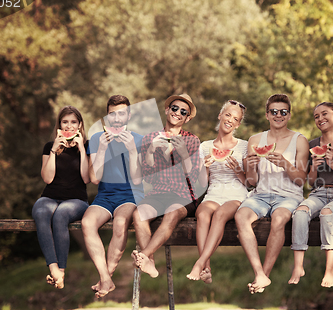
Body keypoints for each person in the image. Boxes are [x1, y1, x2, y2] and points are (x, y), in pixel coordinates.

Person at [235, 93, 309, 294]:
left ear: (289, 115)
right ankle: (258, 272)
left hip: (289, 196)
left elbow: (302, 179)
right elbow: (252, 182)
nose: (278, 115)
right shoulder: (255, 140)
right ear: (267, 115)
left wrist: (285, 164)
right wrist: (250, 167)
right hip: (261, 195)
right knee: (241, 216)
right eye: (274, 111)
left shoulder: (300, 140)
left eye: (283, 112)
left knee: (279, 219)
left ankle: (263, 276)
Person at [289, 102, 333, 288]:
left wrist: (332, 162)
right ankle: (298, 266)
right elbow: (310, 181)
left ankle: (329, 268)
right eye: (316, 116)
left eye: (324, 114)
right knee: (300, 212)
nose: (320, 119)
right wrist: (315, 167)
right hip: (318, 192)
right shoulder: (311, 144)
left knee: (327, 214)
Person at [81, 95, 144, 298]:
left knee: (120, 222)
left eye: (121, 113)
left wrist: (133, 151)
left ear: (128, 115)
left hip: (130, 196)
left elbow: (137, 180)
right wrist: (101, 149)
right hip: (105, 196)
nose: (116, 119)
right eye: (112, 114)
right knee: (87, 223)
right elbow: (94, 179)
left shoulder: (139, 139)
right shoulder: (97, 139)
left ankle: (106, 277)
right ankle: (105, 278)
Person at [132, 94, 200, 278]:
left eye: (183, 112)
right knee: (138, 214)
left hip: (184, 195)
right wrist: (151, 151)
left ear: (187, 118)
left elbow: (193, 178)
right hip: (158, 193)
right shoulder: (150, 138)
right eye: (175, 108)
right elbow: (147, 177)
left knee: (171, 213)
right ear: (167, 110)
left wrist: (184, 154)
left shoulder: (192, 141)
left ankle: (144, 255)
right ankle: (150, 263)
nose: (178, 113)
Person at [186, 100, 248, 283]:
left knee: (220, 214)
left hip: (236, 194)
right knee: (202, 213)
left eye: (235, 119)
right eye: (228, 114)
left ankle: (200, 264)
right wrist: (204, 168)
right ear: (220, 116)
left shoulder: (244, 146)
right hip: (213, 192)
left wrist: (238, 170)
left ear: (237, 124)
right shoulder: (205, 146)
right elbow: (202, 184)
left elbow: (249, 183)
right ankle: (207, 268)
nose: (230, 120)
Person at [32, 106, 90, 290]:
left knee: (60, 215)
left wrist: (81, 149)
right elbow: (47, 178)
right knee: (40, 211)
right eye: (65, 122)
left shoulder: (87, 147)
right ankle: (54, 268)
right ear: (59, 124)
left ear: (79, 125)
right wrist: (53, 152)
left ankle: (61, 271)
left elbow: (87, 178)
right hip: (50, 197)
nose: (69, 126)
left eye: (73, 122)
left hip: (76, 200)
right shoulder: (49, 146)